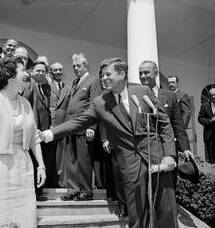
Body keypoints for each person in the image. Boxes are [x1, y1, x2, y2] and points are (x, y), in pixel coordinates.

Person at [39, 57, 179, 228]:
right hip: (129, 164)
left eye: (108, 74)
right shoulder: (100, 102)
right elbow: (77, 122)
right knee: (137, 213)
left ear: (122, 74)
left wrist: (169, 155)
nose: (103, 78)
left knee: (165, 210)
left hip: (156, 158)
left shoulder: (142, 92)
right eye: (102, 75)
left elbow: (164, 123)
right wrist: (47, 134)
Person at [0, 56, 46, 228]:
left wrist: (41, 166)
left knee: (27, 219)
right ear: (10, 76)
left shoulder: (25, 103)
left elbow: (34, 139)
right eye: (22, 70)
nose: (26, 73)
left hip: (24, 169)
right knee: (1, 218)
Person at [139, 60, 194, 189]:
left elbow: (178, 124)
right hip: (146, 148)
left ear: (156, 73)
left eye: (146, 72)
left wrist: (185, 147)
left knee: (169, 186)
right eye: (140, 73)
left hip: (167, 148)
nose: (142, 76)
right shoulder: (135, 95)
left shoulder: (169, 96)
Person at [58, 53, 101, 201]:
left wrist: (92, 126)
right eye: (74, 66)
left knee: (84, 160)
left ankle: (86, 191)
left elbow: (94, 105)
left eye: (79, 65)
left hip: (84, 128)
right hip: (71, 127)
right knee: (71, 160)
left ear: (86, 66)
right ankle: (72, 190)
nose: (76, 68)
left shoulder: (93, 80)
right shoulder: (75, 83)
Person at [23, 60, 56, 200]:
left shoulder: (47, 88)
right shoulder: (28, 85)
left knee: (44, 162)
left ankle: (39, 192)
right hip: (32, 131)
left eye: (43, 71)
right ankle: (32, 193)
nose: (40, 73)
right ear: (32, 71)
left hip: (45, 131)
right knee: (33, 162)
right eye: (38, 70)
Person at [49, 62, 70, 187]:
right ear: (51, 73)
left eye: (60, 70)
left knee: (62, 155)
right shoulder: (46, 86)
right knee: (51, 154)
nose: (58, 72)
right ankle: (51, 181)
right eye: (55, 70)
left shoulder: (68, 88)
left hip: (64, 126)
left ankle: (61, 181)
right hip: (51, 126)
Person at [198, 87, 215, 163]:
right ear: (209, 96)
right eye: (211, 95)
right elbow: (200, 118)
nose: (213, 97)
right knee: (212, 160)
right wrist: (210, 121)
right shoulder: (204, 106)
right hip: (209, 137)